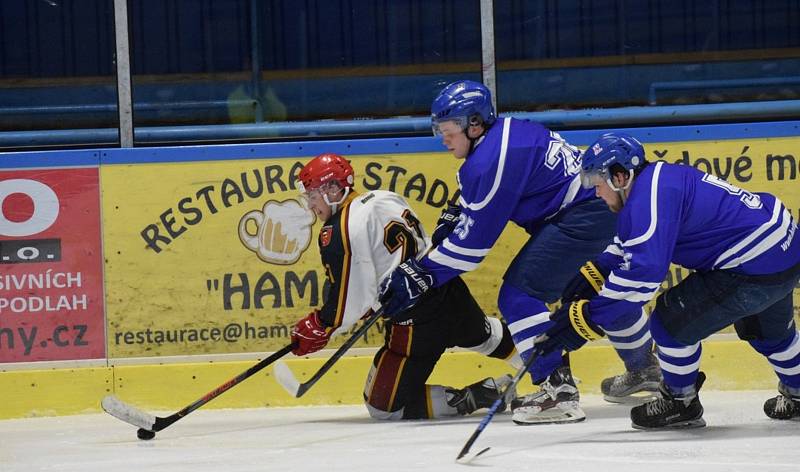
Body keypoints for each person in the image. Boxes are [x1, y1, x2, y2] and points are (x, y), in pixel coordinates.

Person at [378, 80, 660, 425]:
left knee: (519, 295)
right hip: (593, 209)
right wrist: (460, 212)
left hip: (582, 215)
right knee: (596, 288)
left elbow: (470, 249)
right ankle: (645, 367)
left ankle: (557, 392)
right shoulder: (507, 133)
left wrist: (422, 273)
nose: (444, 138)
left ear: (474, 125)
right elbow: (485, 195)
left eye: (449, 130)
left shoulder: (490, 159)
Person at [532, 132, 800, 429]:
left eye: (597, 184)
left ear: (620, 177)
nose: (596, 193)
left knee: (669, 323)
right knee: (772, 334)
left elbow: (641, 281)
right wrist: (593, 274)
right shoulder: (656, 180)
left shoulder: (646, 200)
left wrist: (582, 321)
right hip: (784, 247)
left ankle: (680, 402)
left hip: (753, 264)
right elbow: (632, 242)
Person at [289, 153, 517, 420]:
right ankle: (551, 369)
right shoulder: (385, 197)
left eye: (313, 197)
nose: (311, 206)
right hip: (447, 289)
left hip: (414, 323)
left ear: (331, 189)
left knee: (382, 408)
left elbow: (350, 298)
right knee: (486, 335)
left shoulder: (337, 230)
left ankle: (478, 395)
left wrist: (321, 325)